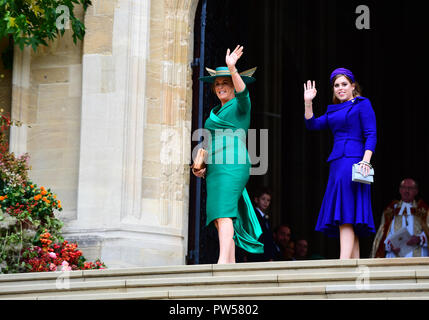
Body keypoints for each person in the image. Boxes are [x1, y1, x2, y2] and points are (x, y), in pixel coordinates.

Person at [193, 45, 263, 264]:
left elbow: (244, 94)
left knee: (224, 212)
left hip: (233, 163)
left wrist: (232, 68)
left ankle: (223, 262)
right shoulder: (216, 110)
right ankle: (230, 263)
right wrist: (201, 164)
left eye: (225, 83)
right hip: (215, 166)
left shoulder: (241, 106)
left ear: (233, 85)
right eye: (217, 84)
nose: (220, 87)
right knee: (218, 215)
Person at [303, 67, 377, 259]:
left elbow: (371, 134)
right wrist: (308, 102)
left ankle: (343, 264)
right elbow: (312, 125)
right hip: (337, 163)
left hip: (354, 162)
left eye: (344, 84)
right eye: (336, 85)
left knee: (346, 214)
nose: (340, 88)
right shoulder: (333, 110)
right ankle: (354, 266)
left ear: (353, 86)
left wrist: (366, 161)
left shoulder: (362, 104)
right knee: (348, 214)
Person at [371, 178, 429, 258]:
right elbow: (383, 235)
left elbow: (427, 231)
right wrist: (390, 245)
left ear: (416, 191)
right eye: (404, 188)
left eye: (410, 188)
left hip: (418, 254)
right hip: (394, 255)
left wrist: (420, 239)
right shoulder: (390, 210)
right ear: (400, 190)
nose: (406, 191)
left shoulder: (424, 210)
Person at [246, 188, 277, 262]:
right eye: (263, 199)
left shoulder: (266, 218)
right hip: (256, 255)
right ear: (256, 200)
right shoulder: (254, 216)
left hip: (264, 255)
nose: (266, 202)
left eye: (268, 200)